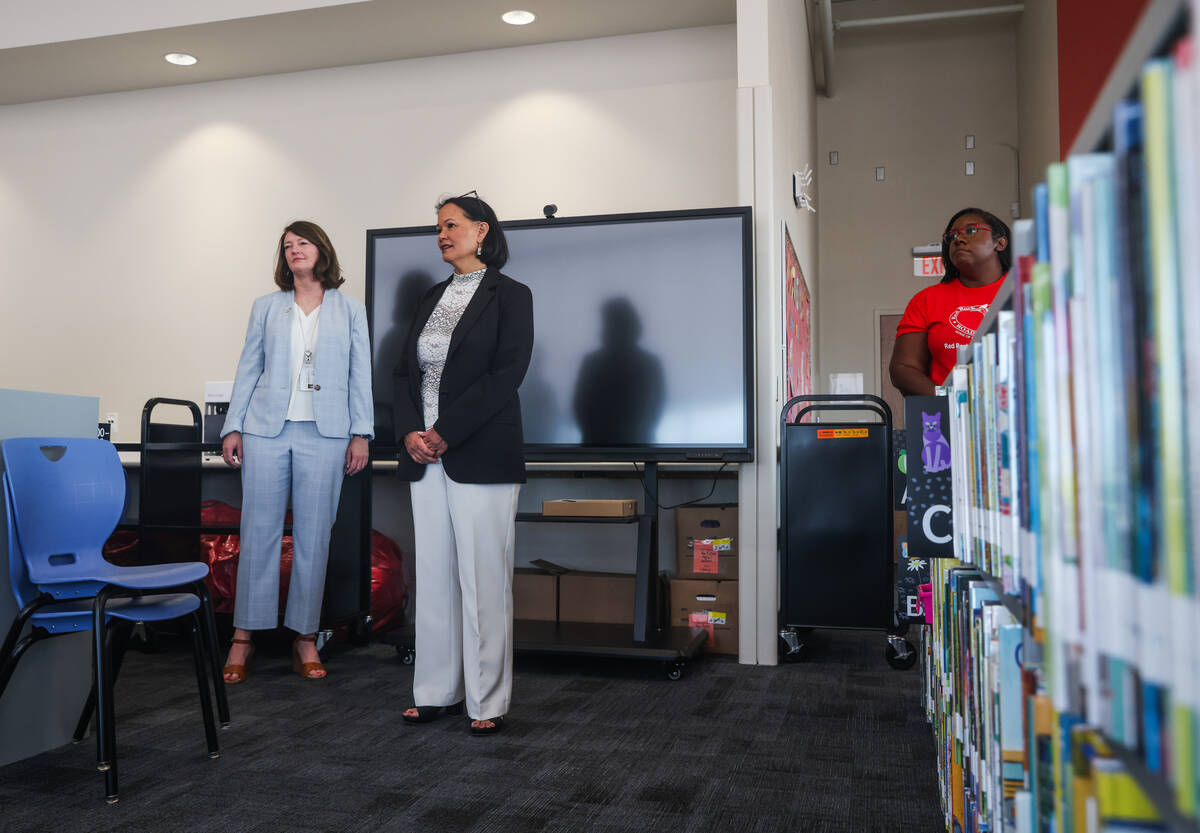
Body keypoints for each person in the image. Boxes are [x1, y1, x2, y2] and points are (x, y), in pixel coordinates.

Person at [393, 192, 533, 735]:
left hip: (478, 451)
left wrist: (445, 432)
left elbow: (507, 374)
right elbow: (405, 373)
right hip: (422, 455)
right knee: (433, 577)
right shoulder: (431, 297)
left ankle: (487, 702)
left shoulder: (512, 295)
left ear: (481, 231)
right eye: (438, 228)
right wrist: (410, 432)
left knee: (483, 580)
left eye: (451, 225)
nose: (441, 235)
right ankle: (435, 692)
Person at [219, 220, 373, 683]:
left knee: (313, 539)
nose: (294, 251)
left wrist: (361, 432)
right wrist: (234, 426)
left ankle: (305, 637)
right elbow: (248, 368)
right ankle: (242, 638)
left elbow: (358, 374)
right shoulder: (267, 307)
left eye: (302, 243)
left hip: (326, 434)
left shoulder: (350, 310)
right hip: (266, 431)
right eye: (287, 246)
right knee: (259, 534)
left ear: (321, 250)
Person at [890, 207, 1011, 396]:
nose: (958, 239)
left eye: (971, 230)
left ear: (1000, 243)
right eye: (951, 236)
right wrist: (950, 401)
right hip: (950, 416)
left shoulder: (1023, 292)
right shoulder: (926, 300)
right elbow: (903, 368)